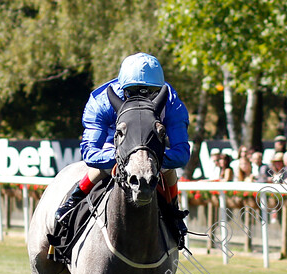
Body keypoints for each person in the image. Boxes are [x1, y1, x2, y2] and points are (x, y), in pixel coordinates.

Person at [54, 53, 190, 247]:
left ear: (160, 91)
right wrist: (125, 158)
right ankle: (74, 201)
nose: (142, 98)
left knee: (168, 168)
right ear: (122, 89)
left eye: (150, 93)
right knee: (103, 165)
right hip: (115, 143)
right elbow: (91, 153)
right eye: (134, 92)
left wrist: (149, 157)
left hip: (150, 146)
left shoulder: (172, 104)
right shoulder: (101, 102)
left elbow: (181, 154)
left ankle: (173, 210)